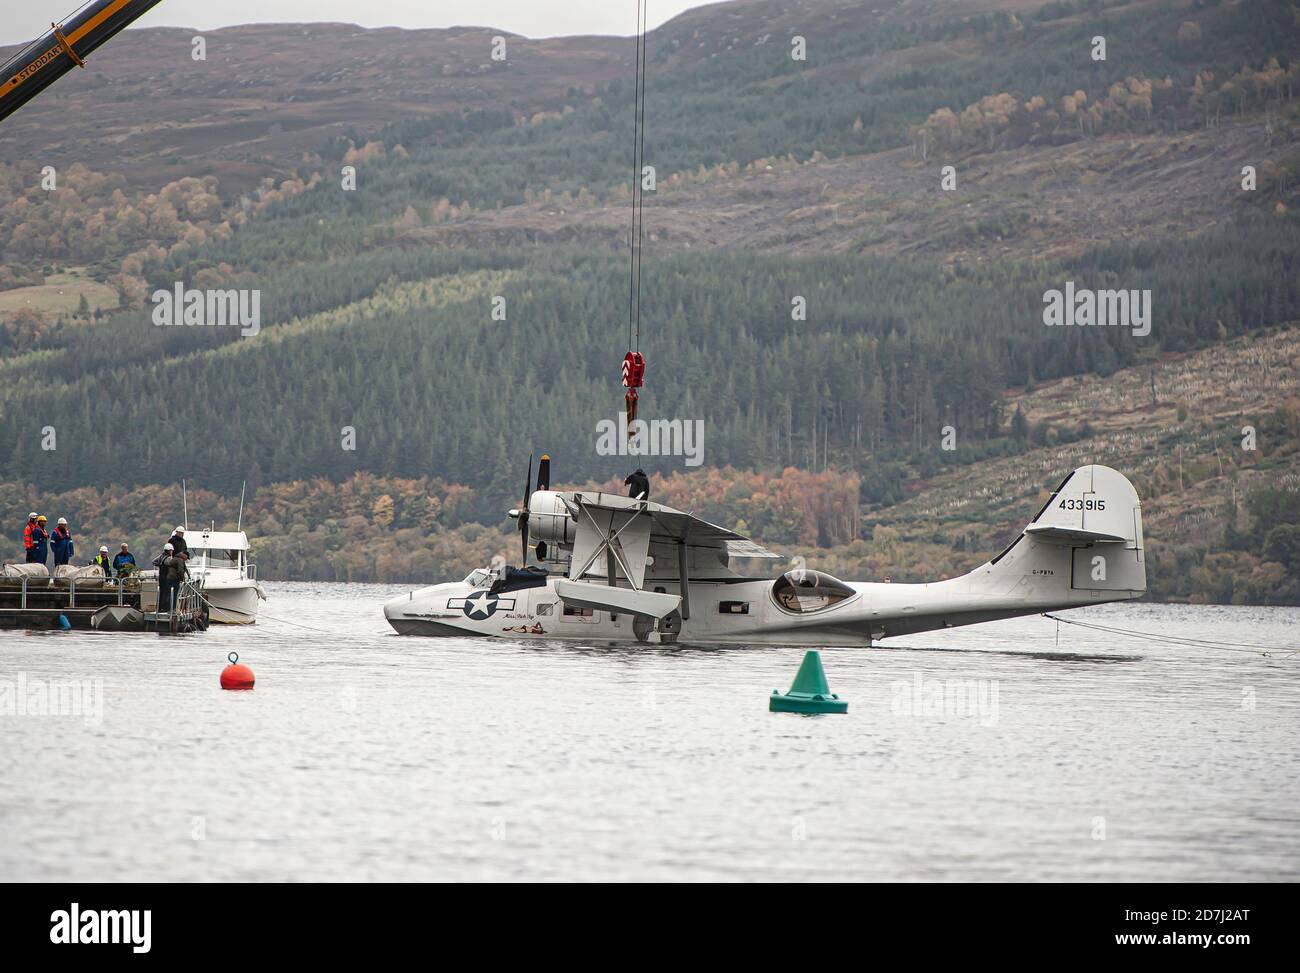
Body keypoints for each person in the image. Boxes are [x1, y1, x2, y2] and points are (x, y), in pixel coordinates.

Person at [155, 542, 187, 616]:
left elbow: (154, 562)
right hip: (167, 577)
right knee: (169, 593)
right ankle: (168, 608)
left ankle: (160, 607)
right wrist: (182, 578)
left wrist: (160, 565)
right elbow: (179, 570)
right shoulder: (170, 558)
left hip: (161, 576)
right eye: (171, 550)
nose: (172, 552)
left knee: (162, 592)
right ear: (169, 550)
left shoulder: (160, 557)